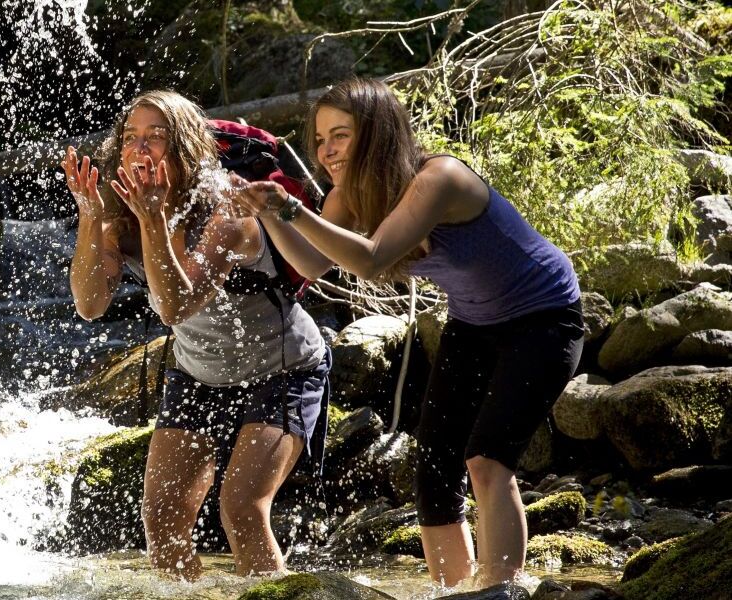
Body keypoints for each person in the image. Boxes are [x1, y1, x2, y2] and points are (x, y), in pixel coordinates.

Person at [227, 78, 584, 588]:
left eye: (341, 135)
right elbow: (308, 261)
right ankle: (454, 593)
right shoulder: (349, 194)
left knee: (485, 463)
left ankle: (498, 592)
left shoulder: (438, 178)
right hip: (474, 322)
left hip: (545, 319)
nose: (327, 151)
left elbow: (373, 260)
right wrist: (272, 214)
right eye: (321, 139)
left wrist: (290, 209)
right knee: (434, 470)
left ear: (376, 132)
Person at [64, 90, 330, 580]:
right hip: (197, 373)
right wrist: (88, 217)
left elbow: (174, 305)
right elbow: (90, 304)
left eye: (155, 138)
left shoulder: (229, 209)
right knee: (162, 520)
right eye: (130, 138)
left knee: (243, 510)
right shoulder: (119, 214)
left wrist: (155, 223)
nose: (139, 149)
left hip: (284, 369)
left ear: (184, 146)